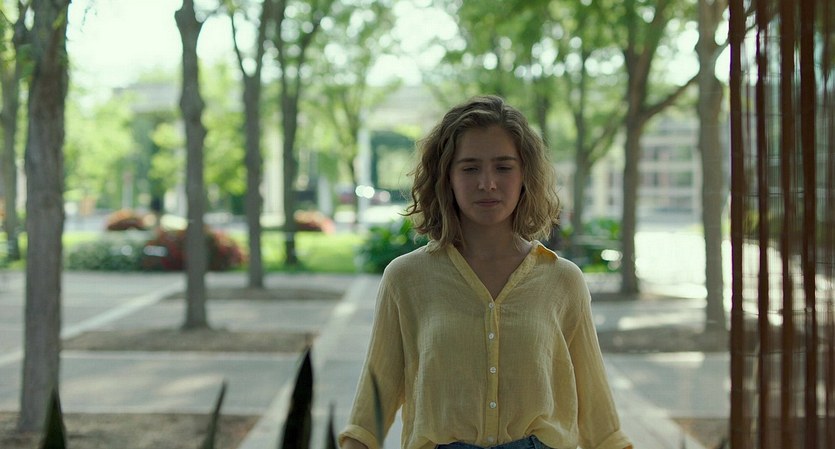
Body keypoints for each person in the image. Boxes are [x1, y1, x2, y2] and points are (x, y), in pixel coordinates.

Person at [339, 95, 632, 449]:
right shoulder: (405, 279)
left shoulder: (563, 281)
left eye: (503, 167)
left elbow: (600, 420)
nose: (487, 183)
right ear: (446, 177)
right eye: (470, 168)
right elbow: (369, 415)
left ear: (525, 175)